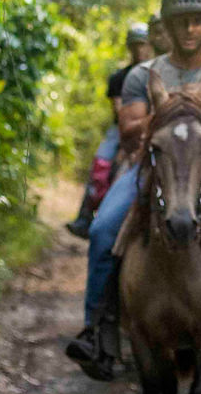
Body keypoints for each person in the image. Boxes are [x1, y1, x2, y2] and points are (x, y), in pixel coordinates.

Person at [65, 0, 201, 382]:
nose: (191, 29)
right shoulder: (142, 75)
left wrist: (189, 135)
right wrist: (176, 124)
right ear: (168, 27)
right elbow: (128, 129)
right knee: (105, 228)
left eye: (198, 21)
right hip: (149, 171)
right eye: (182, 22)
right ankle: (98, 330)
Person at [64, 22, 152, 239]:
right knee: (101, 163)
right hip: (122, 129)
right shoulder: (119, 78)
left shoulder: (156, 73)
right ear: (129, 48)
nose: (139, 50)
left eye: (142, 45)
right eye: (135, 46)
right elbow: (120, 110)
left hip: (151, 127)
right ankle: (85, 216)